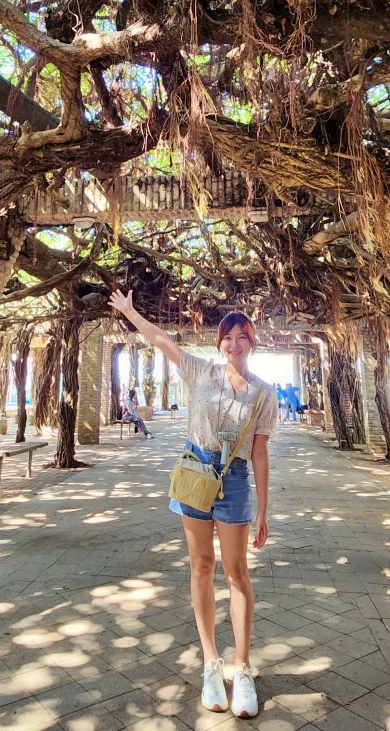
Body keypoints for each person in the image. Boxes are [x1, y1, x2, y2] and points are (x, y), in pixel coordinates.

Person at [108, 289, 277, 719]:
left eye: (242, 336)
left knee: (237, 574)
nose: (234, 343)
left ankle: (241, 668)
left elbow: (259, 453)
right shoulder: (202, 372)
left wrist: (263, 510)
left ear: (252, 341)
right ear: (219, 342)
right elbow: (163, 341)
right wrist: (130, 313)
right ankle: (210, 663)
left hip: (234, 481)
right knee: (201, 566)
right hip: (194, 474)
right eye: (227, 337)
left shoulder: (263, 393)